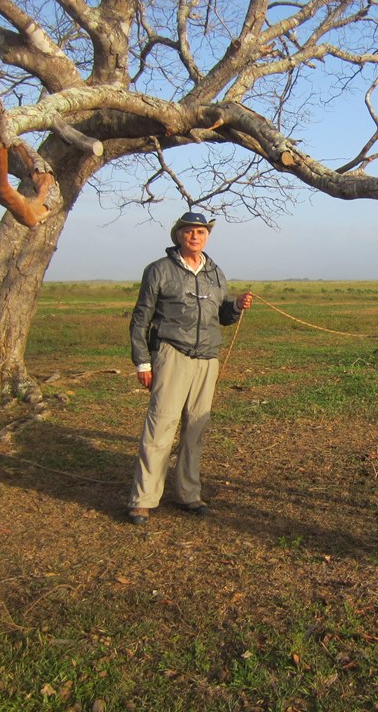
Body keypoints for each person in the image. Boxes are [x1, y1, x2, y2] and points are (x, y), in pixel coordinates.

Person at [127, 211, 253, 525]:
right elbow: (140, 319)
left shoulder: (215, 272)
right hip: (172, 353)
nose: (195, 236)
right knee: (161, 426)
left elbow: (221, 316)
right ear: (178, 235)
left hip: (207, 357)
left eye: (200, 231)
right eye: (189, 231)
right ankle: (143, 499)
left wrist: (235, 306)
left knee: (196, 427)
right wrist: (143, 361)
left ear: (207, 236)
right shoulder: (159, 270)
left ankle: (188, 493)